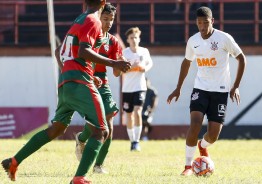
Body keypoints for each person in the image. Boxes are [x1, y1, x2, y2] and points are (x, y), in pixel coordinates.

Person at [1, 0, 131, 183]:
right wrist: (114, 63)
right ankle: (79, 178)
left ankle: (14, 161)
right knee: (101, 131)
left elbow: (63, 51)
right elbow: (84, 52)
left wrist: (78, 72)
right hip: (80, 82)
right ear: (102, 2)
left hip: (67, 82)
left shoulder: (79, 19)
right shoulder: (93, 20)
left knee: (56, 129)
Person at [167, 6, 246, 176]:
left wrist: (236, 86)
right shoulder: (193, 41)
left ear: (212, 21)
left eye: (205, 22)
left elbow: (241, 59)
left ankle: (202, 146)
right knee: (195, 124)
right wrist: (178, 88)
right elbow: (187, 62)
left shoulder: (224, 38)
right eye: (199, 23)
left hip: (220, 91)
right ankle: (188, 167)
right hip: (200, 88)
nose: (202, 26)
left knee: (213, 135)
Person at [74, 2, 124, 174]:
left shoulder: (113, 41)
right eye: (105, 18)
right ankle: (81, 138)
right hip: (86, 79)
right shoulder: (90, 34)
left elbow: (116, 73)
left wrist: (122, 65)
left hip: (103, 82)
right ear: (99, 17)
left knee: (109, 126)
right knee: (97, 124)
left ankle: (98, 165)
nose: (109, 22)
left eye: (111, 19)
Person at [122, 27, 153, 151]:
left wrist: (145, 68)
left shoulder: (144, 51)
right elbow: (120, 69)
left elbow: (150, 63)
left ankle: (136, 141)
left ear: (139, 38)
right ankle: (132, 140)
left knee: (138, 111)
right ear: (128, 40)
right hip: (127, 88)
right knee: (129, 115)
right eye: (131, 38)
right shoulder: (125, 53)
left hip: (140, 87)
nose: (134, 40)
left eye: (135, 37)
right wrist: (132, 67)